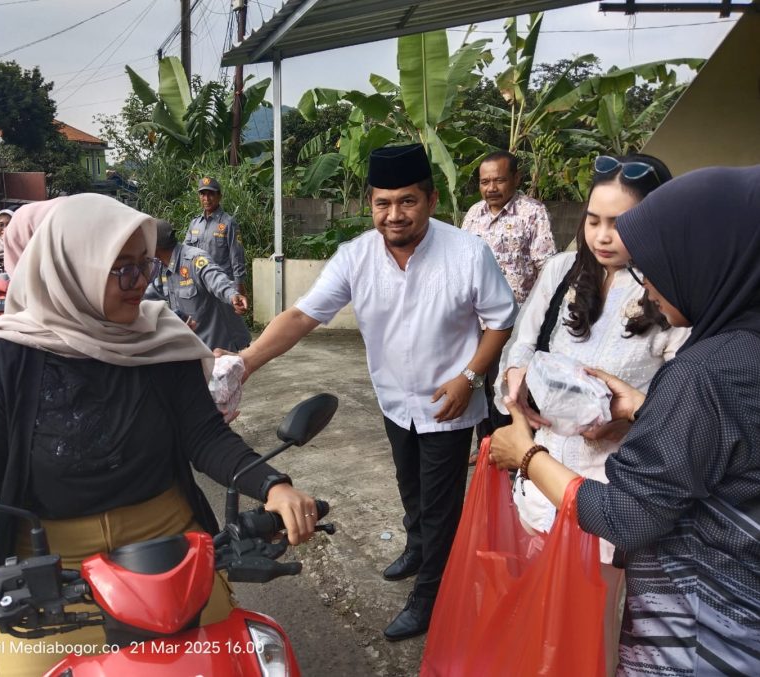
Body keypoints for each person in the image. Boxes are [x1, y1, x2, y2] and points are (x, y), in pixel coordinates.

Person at [0, 194, 319, 675]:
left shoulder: (160, 339)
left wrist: (273, 485)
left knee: (230, 658)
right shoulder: (3, 356)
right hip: (51, 565)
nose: (141, 284)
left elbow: (205, 435)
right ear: (74, 269)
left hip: (171, 546)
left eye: (144, 266)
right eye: (122, 269)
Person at [227, 144, 517, 641]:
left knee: (440, 504)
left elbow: (500, 320)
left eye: (407, 201)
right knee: (410, 486)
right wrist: (245, 362)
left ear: (429, 198)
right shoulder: (356, 257)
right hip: (394, 399)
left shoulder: (467, 253)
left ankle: (430, 594)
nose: (394, 214)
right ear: (370, 203)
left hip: (450, 404)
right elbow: (301, 316)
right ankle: (417, 548)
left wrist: (469, 377)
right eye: (383, 203)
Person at [490, 164, 760, 676]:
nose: (646, 281)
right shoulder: (737, 348)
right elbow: (716, 434)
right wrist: (637, 405)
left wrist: (525, 453)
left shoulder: (704, 371)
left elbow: (627, 515)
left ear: (700, 259)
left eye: (657, 262)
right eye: (592, 220)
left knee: (592, 631)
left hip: (700, 623)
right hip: (733, 605)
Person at [461, 151, 556, 446]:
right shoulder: (473, 214)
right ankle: (485, 444)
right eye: (485, 181)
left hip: (516, 321)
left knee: (506, 385)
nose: (491, 188)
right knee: (477, 382)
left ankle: (509, 444)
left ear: (516, 178)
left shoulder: (532, 212)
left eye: (499, 180)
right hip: (475, 320)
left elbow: (547, 267)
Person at [144, 219, 251, 351]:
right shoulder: (163, 267)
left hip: (221, 346)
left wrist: (233, 295)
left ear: (155, 246)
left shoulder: (194, 259)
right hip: (197, 347)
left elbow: (215, 278)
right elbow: (149, 293)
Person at [186, 177, 247, 293]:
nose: (206, 199)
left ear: (219, 196)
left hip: (222, 285)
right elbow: (186, 252)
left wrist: (239, 284)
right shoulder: (194, 224)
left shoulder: (229, 223)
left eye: (211, 194)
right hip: (199, 284)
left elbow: (237, 257)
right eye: (203, 194)